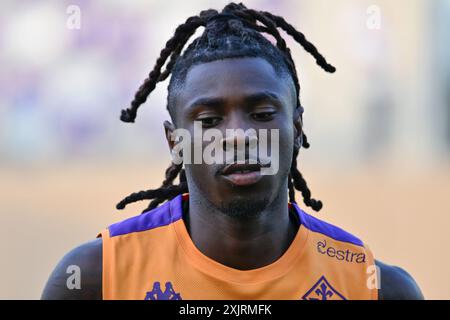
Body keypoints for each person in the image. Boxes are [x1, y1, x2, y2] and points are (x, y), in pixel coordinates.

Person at [42, 2, 423, 300]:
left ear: (297, 127)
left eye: (261, 113)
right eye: (209, 119)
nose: (239, 134)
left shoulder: (371, 287)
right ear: (175, 143)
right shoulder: (96, 278)